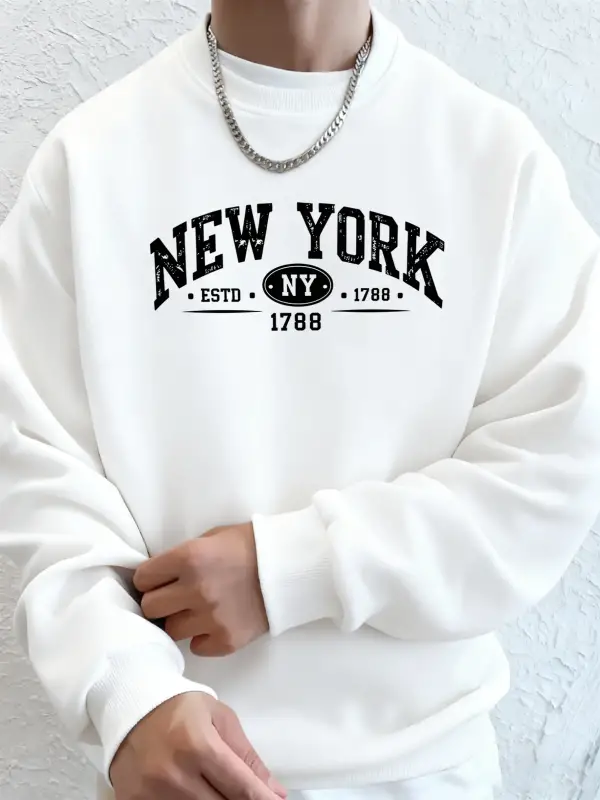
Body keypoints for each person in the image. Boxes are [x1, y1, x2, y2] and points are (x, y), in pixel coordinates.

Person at [1, 0, 600, 798]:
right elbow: (36, 468)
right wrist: (128, 694)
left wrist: (295, 568)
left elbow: (553, 463)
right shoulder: (91, 160)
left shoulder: (493, 158)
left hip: (425, 771)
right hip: (178, 773)